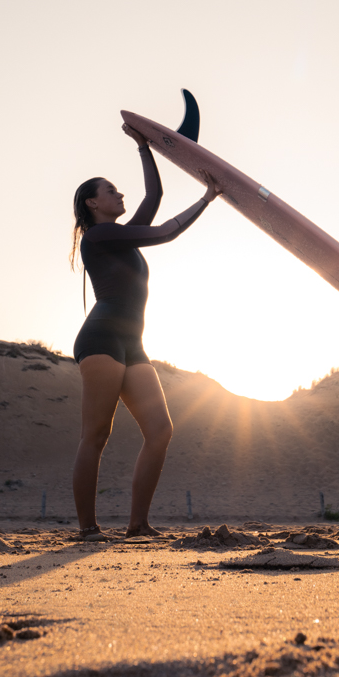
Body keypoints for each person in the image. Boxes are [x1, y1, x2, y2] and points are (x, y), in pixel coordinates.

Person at [69, 124, 220, 538]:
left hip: (132, 343)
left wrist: (144, 147)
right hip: (100, 339)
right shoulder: (100, 237)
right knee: (97, 433)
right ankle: (87, 528)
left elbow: (155, 199)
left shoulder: (119, 238)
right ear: (93, 202)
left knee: (160, 429)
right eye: (112, 191)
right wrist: (207, 198)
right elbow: (166, 231)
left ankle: (138, 524)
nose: (121, 195)